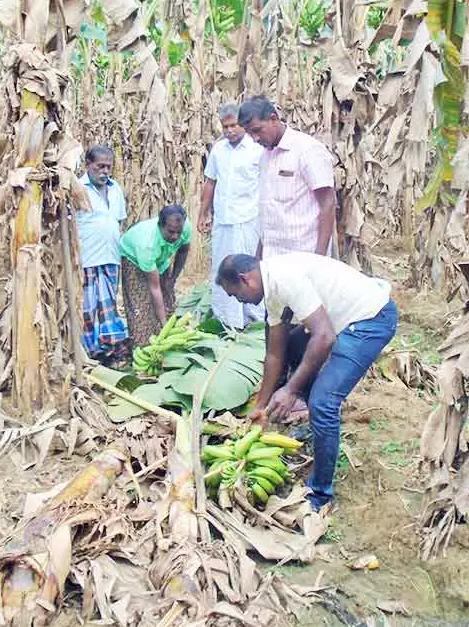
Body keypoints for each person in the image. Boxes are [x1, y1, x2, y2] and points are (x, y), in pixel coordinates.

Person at [216, 252, 398, 511]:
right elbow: (274, 354)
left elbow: (324, 337)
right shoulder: (272, 289)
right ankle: (317, 427)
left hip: (371, 320)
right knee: (292, 344)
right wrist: (261, 405)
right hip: (344, 321)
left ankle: (320, 495)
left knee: (323, 403)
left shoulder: (284, 278)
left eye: (236, 294)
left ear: (245, 280)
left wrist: (291, 390)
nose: (240, 301)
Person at [237, 95, 336, 260]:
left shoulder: (307, 150)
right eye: (249, 134)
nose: (254, 139)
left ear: (273, 119)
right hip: (272, 257)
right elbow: (269, 211)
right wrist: (258, 258)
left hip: (304, 256)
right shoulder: (265, 157)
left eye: (256, 130)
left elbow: (328, 203)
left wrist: (320, 259)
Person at [199, 103, 265, 329]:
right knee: (222, 268)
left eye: (234, 125)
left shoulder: (257, 150)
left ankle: (253, 320)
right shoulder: (218, 150)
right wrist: (203, 212)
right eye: (225, 126)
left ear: (243, 125)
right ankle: (226, 320)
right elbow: (211, 182)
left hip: (248, 220)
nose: (229, 131)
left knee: (248, 270)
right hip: (224, 221)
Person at [76, 144, 129, 366]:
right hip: (87, 257)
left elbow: (117, 220)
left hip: (110, 255)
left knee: (108, 304)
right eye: (100, 166)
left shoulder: (115, 189)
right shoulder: (78, 188)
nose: (105, 171)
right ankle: (90, 349)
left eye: (109, 167)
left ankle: (111, 346)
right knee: (88, 307)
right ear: (88, 165)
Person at [119, 205, 192, 347]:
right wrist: (164, 324)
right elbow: (154, 287)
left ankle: (168, 341)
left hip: (160, 258)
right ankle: (143, 346)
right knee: (140, 305)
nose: (175, 236)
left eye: (178, 232)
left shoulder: (184, 226)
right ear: (160, 226)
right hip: (133, 258)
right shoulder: (147, 244)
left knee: (168, 298)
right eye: (171, 232)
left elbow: (183, 250)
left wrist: (173, 278)